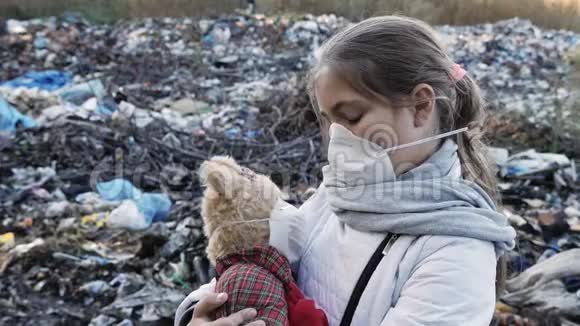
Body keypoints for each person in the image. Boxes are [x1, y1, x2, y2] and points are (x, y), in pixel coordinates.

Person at [176, 15, 516, 326]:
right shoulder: (339, 192)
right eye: (328, 121)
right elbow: (260, 260)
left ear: (421, 105)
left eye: (352, 117)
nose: (338, 138)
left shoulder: (456, 252)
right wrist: (201, 312)